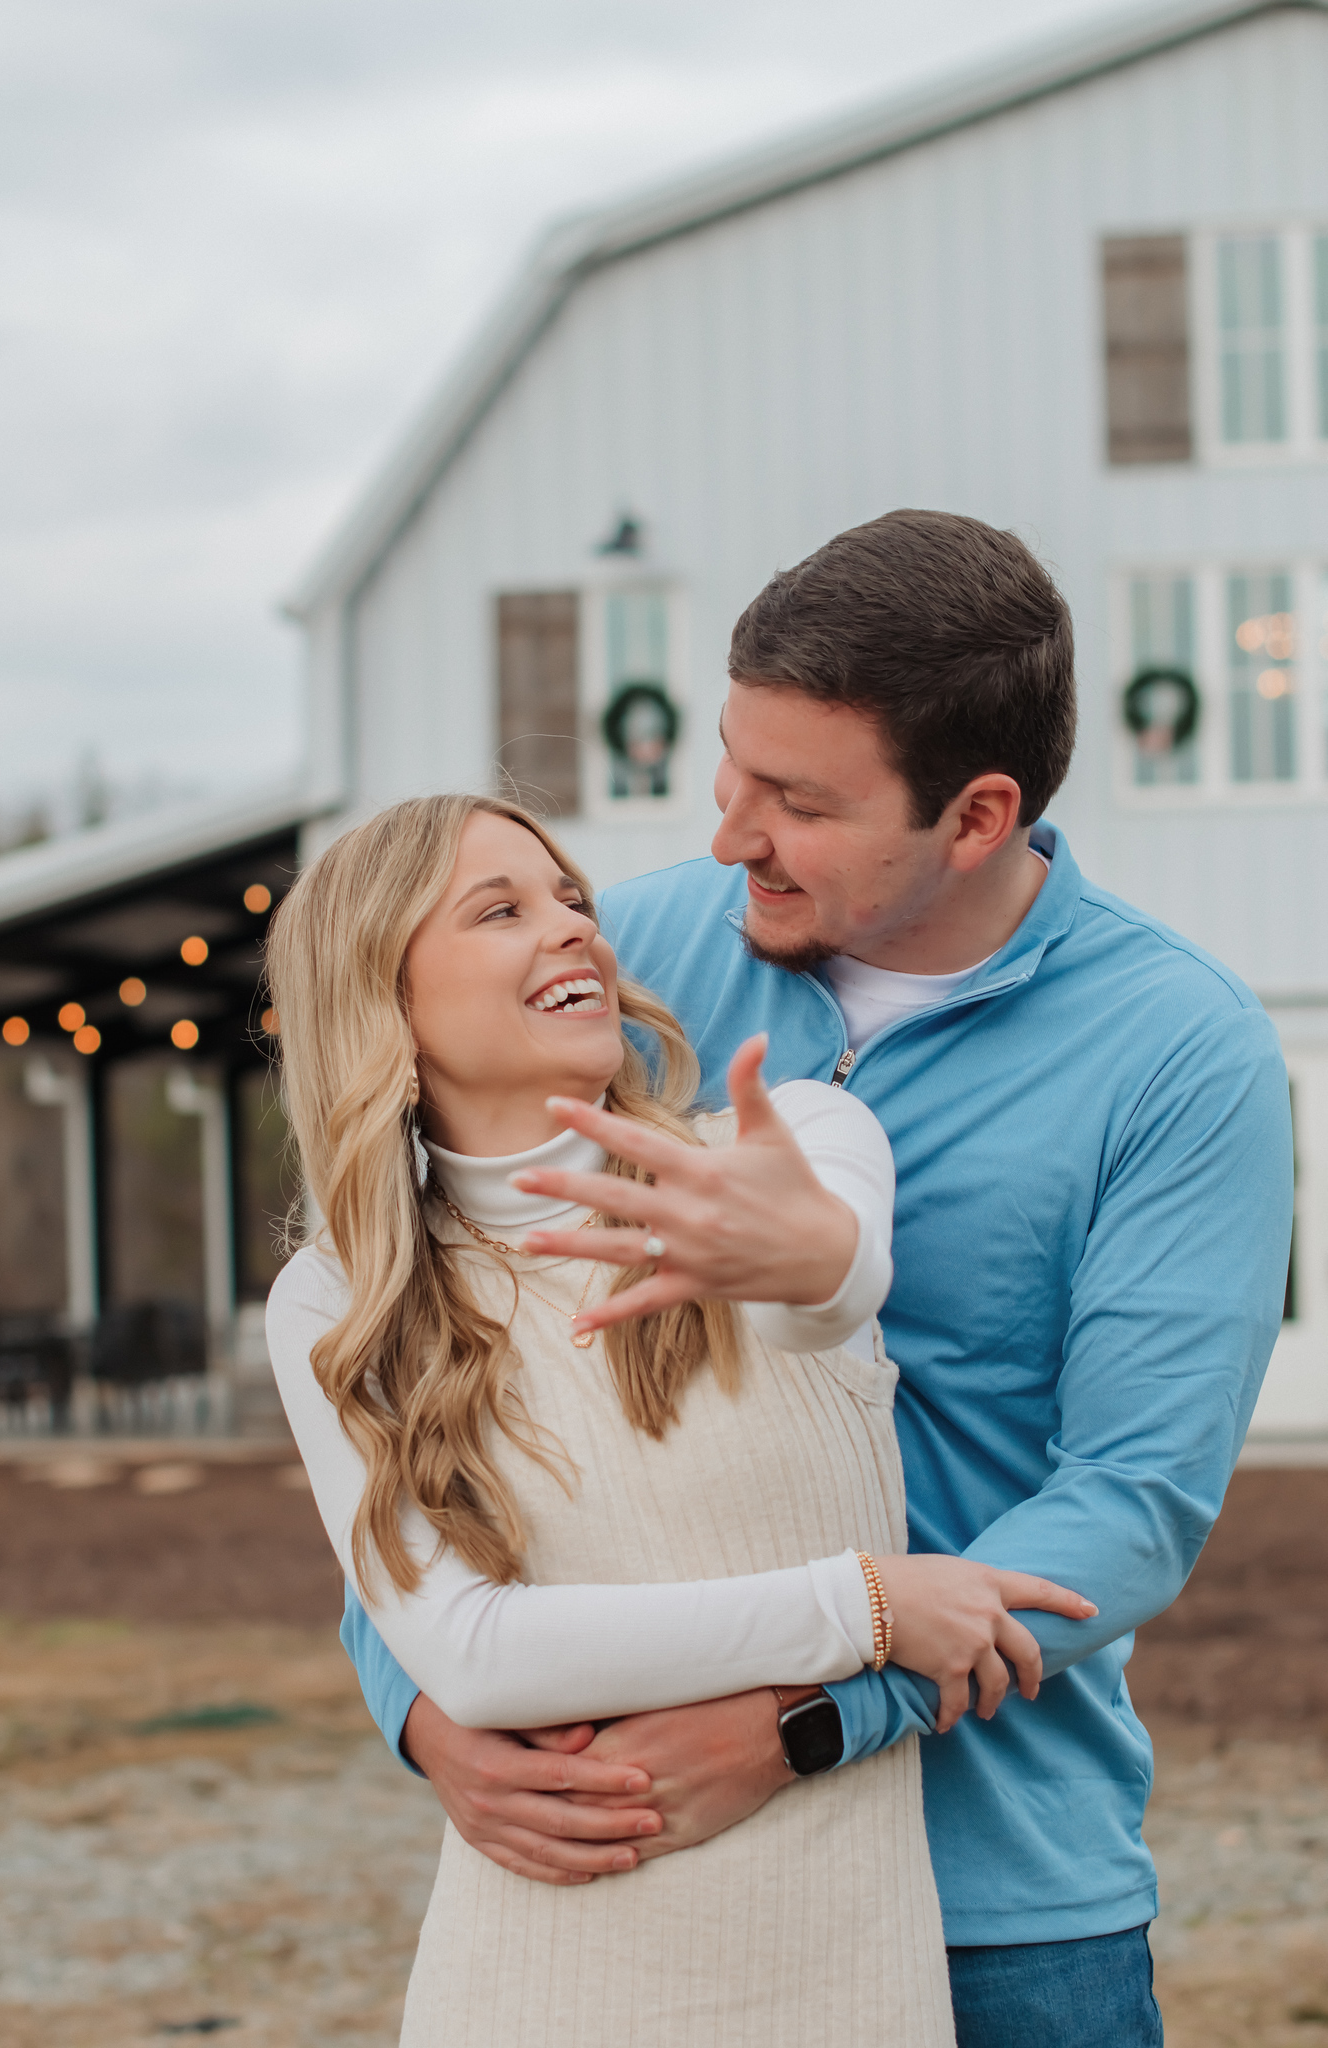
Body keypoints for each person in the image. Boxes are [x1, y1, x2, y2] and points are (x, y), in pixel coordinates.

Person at [339, 510, 1294, 2047]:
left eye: (794, 800)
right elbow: (407, 1323)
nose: (729, 834)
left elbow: (1130, 1501)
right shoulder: (627, 964)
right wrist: (422, 1700)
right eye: (730, 766)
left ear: (976, 816)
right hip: (656, 1882)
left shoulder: (1182, 1058)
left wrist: (806, 1721)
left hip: (998, 1902)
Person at [264, 791, 1091, 2045]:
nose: (574, 930)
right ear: (384, 995)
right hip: (534, 1982)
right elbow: (472, 1650)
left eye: (574, 901)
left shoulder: (796, 1136)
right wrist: (866, 1605)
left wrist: (804, 1250)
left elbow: (835, 1286)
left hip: (844, 1980)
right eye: (502, 909)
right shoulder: (335, 1296)